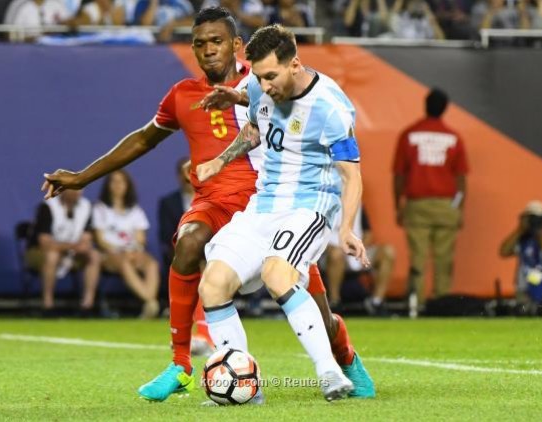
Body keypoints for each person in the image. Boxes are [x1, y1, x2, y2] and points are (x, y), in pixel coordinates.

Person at [42, 7, 371, 403]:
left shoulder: (267, 83)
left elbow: (324, 153)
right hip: (225, 204)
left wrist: (345, 226)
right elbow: (144, 139)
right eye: (199, 44)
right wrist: (82, 176)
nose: (208, 50)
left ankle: (343, 359)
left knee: (312, 306)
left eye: (216, 41)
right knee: (191, 247)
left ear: (236, 45)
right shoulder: (187, 94)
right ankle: (183, 366)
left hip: (277, 203)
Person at [195, 23, 375, 402]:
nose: (264, 85)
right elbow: (255, 129)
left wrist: (346, 229)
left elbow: (352, 175)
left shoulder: (330, 108)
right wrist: (220, 160)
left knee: (277, 274)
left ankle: (330, 373)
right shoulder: (259, 86)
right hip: (263, 206)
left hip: (309, 206)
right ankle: (244, 388)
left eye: (271, 76)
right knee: (212, 283)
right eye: (259, 77)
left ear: (295, 64)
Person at [393, 87, 468, 312]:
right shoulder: (453, 137)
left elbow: (399, 175)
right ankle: (441, 304)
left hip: (417, 205)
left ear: (425, 106)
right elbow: (461, 179)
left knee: (418, 257)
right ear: (445, 109)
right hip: (446, 205)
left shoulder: (409, 134)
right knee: (444, 258)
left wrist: (398, 205)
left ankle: (416, 303)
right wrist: (458, 208)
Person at [158, 158, 214, 355]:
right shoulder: (169, 202)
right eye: (186, 172)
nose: (189, 177)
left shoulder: (216, 197)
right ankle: (199, 338)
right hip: (185, 254)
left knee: (206, 268)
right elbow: (166, 235)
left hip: (218, 252)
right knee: (194, 262)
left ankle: (206, 336)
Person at [93, 170, 161, 319]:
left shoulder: (135, 210)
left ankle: (149, 303)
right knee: (124, 262)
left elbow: (140, 238)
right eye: (114, 181)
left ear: (127, 185)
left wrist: (134, 250)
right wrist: (120, 250)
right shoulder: (100, 209)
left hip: (133, 252)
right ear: (108, 185)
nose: (118, 185)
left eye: (121, 181)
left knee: (152, 264)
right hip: (110, 254)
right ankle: (150, 301)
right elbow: (100, 240)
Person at [26, 190, 101, 316]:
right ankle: (48, 305)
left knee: (94, 255)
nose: (76, 192)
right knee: (52, 255)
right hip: (40, 252)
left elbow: (86, 237)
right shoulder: (47, 206)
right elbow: (45, 242)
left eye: (79, 188)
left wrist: (82, 246)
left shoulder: (86, 206)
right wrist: (71, 246)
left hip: (71, 254)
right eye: (72, 188)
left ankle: (87, 306)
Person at [325, 203, 394, 316]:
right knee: (336, 254)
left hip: (356, 250)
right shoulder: (325, 202)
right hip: (330, 252)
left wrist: (359, 248)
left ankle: (376, 302)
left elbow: (368, 233)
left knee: (387, 252)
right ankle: (334, 303)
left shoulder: (355, 203)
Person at [499, 200, 542, 315]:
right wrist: (520, 230)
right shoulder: (523, 239)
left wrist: (541, 236)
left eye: (540, 219)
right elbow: (504, 251)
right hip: (526, 291)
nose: (536, 223)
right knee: (525, 312)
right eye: (532, 219)